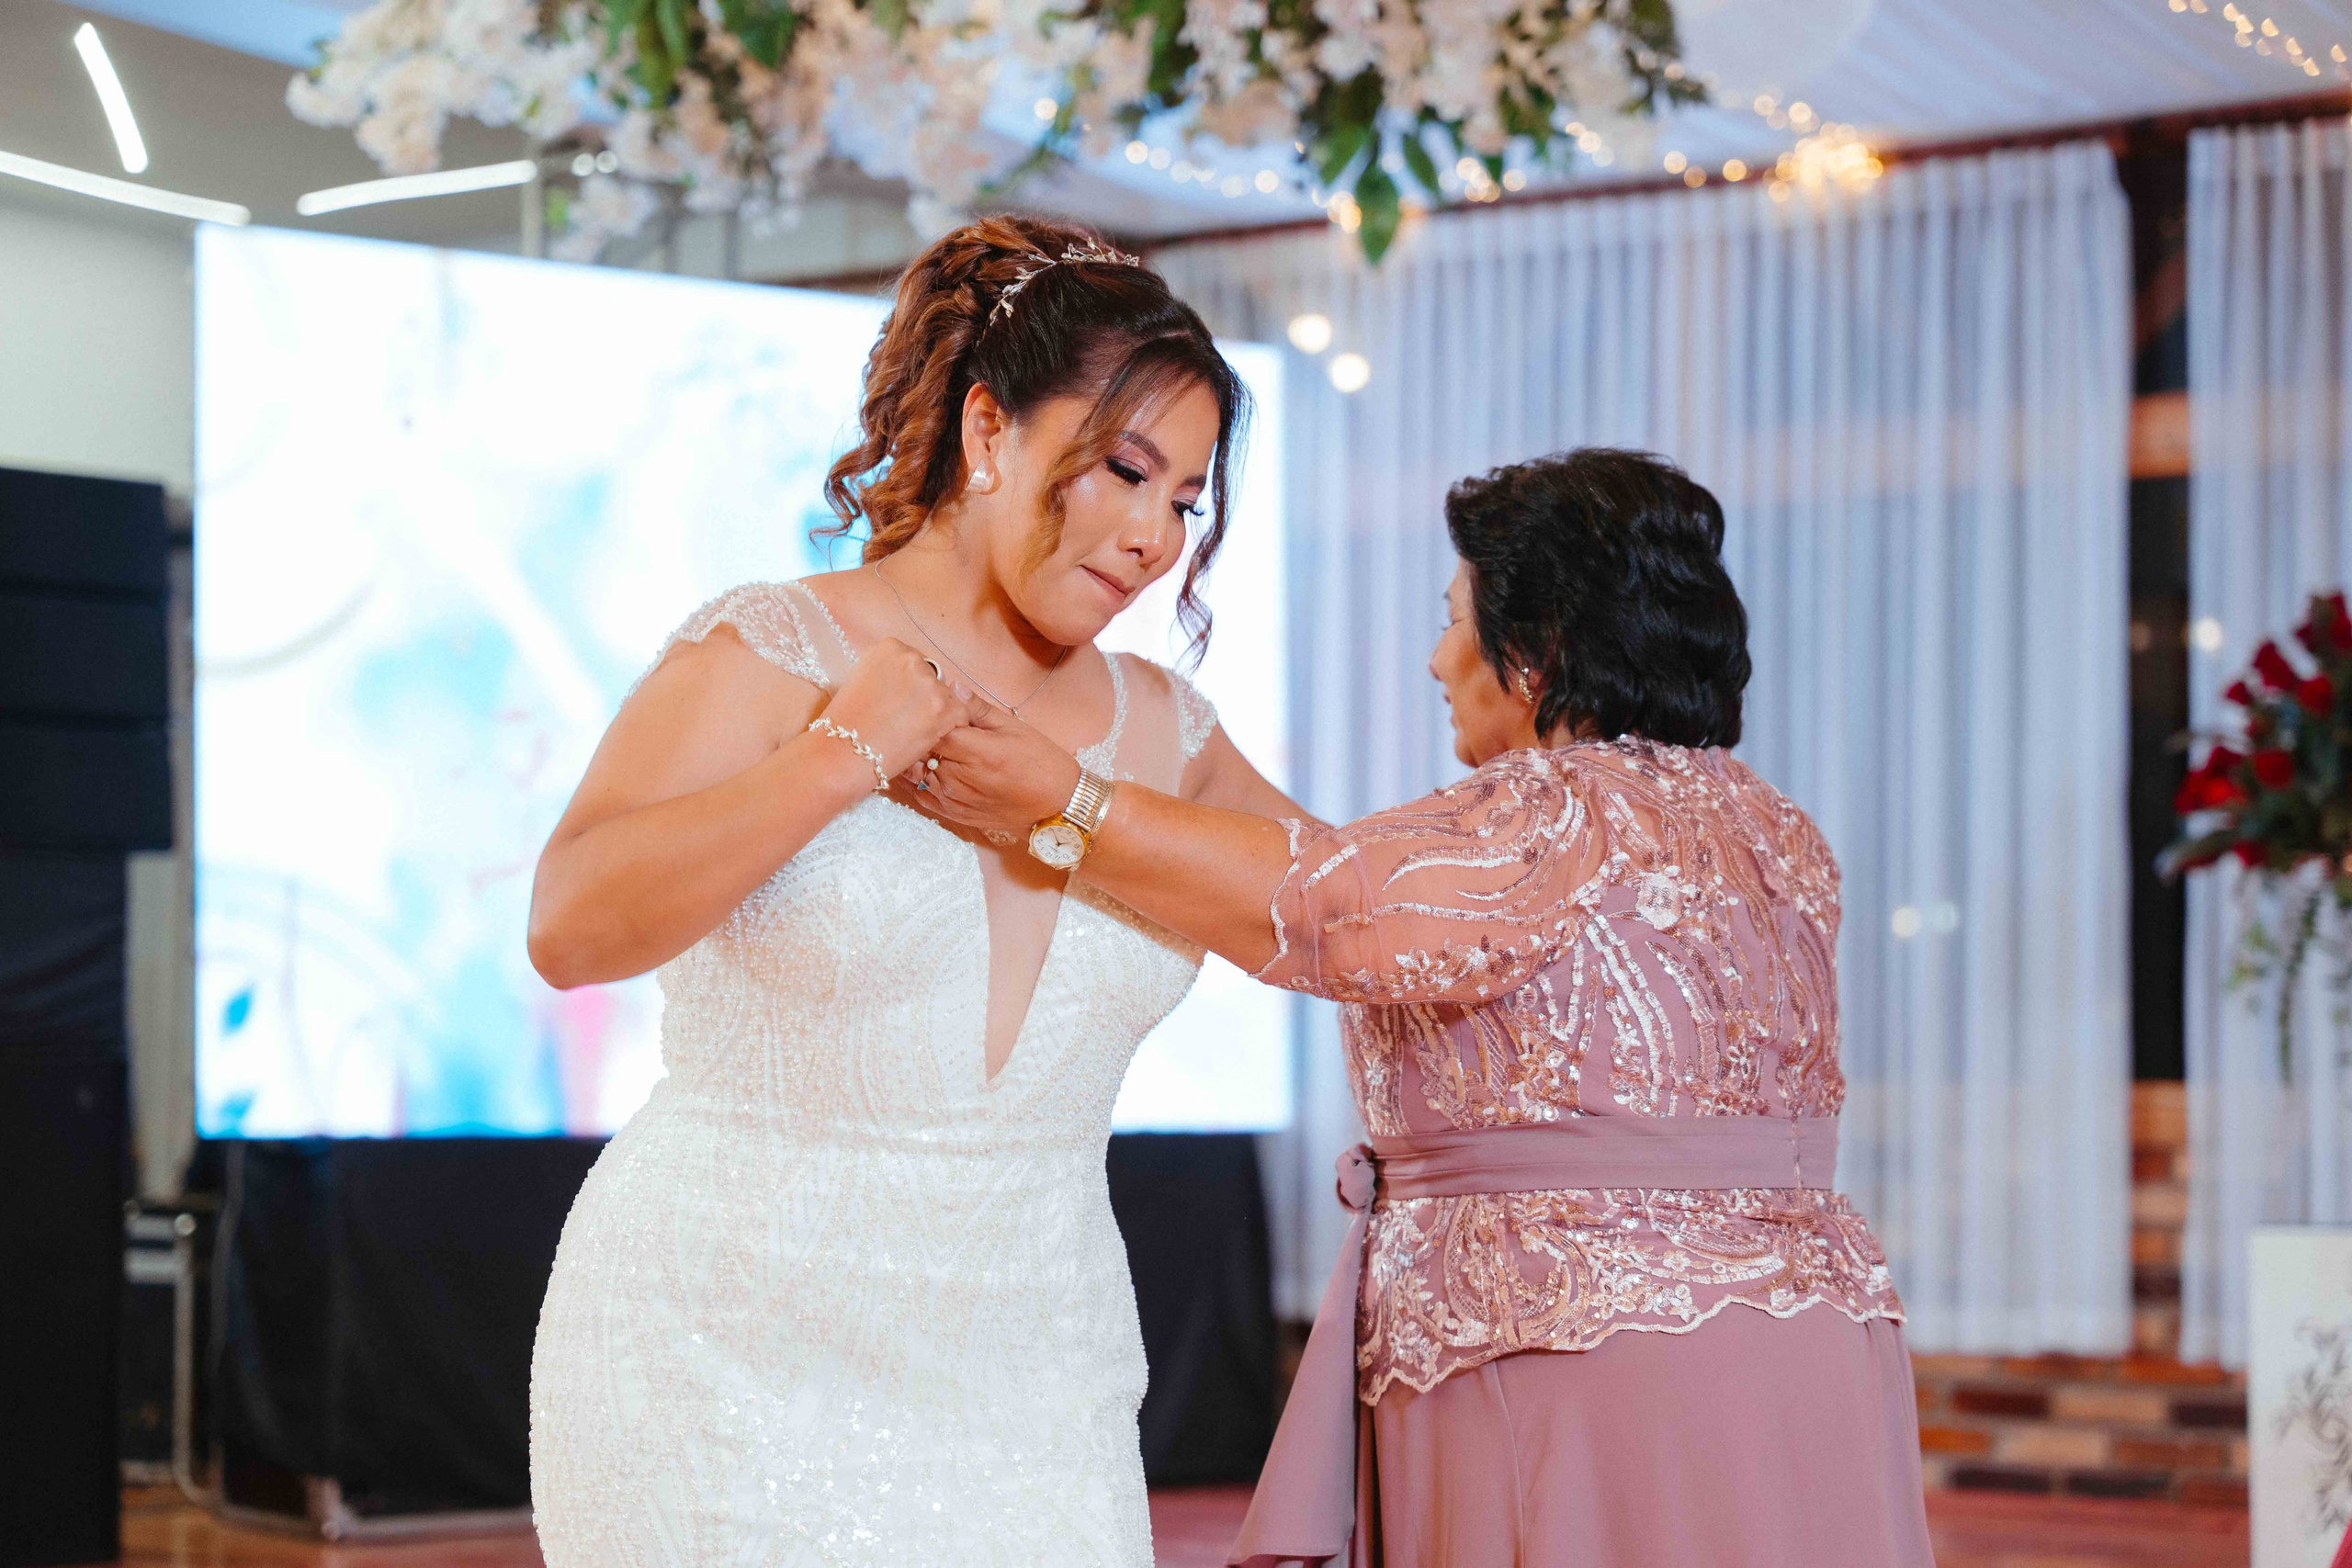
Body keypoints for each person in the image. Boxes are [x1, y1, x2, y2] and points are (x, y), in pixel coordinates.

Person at [922, 447, 1935, 1568]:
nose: (1436, 656)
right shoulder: (1776, 830)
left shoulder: (1543, 814)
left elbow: (1318, 910)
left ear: (1535, 650)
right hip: (1810, 1350)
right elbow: (1375, 891)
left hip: (1575, 1357)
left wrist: (1058, 800)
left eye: (1454, 618)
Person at [524, 215, 1299, 1566]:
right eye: (1125, 470)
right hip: (718, 1362)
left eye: (1184, 501)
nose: (1152, 537)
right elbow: (571, 926)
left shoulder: (1169, 729)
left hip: (1037, 1374)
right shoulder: (778, 645)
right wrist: (841, 755)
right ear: (989, 430)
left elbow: (1345, 912)